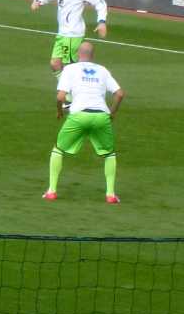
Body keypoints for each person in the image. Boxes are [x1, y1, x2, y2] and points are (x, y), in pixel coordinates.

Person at [44, 41, 124, 204]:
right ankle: (110, 194)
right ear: (92, 55)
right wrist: (112, 113)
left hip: (79, 115)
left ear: (78, 54)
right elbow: (120, 94)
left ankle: (52, 191)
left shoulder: (70, 69)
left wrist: (59, 111)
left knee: (58, 150)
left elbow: (60, 97)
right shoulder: (102, 70)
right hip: (101, 116)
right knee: (109, 154)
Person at [31, 0, 107, 72]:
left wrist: (101, 22)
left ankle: (73, 90)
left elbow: (100, 2)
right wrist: (38, 0)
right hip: (62, 33)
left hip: (72, 34)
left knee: (70, 68)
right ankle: (66, 89)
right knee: (55, 64)